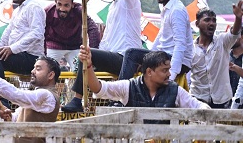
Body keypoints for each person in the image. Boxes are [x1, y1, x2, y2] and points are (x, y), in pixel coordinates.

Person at [0, 56, 61, 143]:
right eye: (34, 68)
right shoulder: (37, 96)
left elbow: (16, 95)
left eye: (38, 69)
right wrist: (10, 117)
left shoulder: (46, 95)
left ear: (51, 75)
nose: (33, 71)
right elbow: (17, 119)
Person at [118, 0, 193, 84]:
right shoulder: (166, 8)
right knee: (133, 56)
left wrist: (171, 75)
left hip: (177, 61)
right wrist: (148, 58)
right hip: (164, 55)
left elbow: (180, 44)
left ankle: (119, 94)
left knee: (131, 54)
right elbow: (161, 36)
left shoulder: (177, 10)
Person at [78, 46, 209, 109]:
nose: (169, 74)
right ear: (149, 72)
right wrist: (89, 66)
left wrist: (207, 112)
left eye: (168, 70)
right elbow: (98, 89)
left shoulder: (175, 90)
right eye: (164, 70)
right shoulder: (129, 87)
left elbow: (197, 106)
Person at [0, 0, 45, 107]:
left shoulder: (34, 7)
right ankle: (3, 99)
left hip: (31, 58)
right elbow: (8, 32)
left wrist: (12, 49)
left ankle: (3, 100)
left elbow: (37, 33)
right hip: (19, 55)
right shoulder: (18, 10)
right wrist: (1, 49)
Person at [189, 4, 242, 108]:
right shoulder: (190, 48)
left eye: (214, 20)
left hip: (222, 101)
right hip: (198, 99)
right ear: (197, 24)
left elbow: (234, 33)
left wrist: (238, 18)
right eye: (207, 20)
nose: (211, 23)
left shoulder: (222, 41)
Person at [44, 0, 100, 70]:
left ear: (72, 4)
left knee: (80, 73)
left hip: (75, 46)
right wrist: (43, 53)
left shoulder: (80, 11)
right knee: (48, 70)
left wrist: (92, 51)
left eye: (66, 5)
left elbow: (93, 29)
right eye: (59, 4)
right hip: (54, 45)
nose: (62, 9)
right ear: (55, 2)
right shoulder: (48, 11)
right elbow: (42, 33)